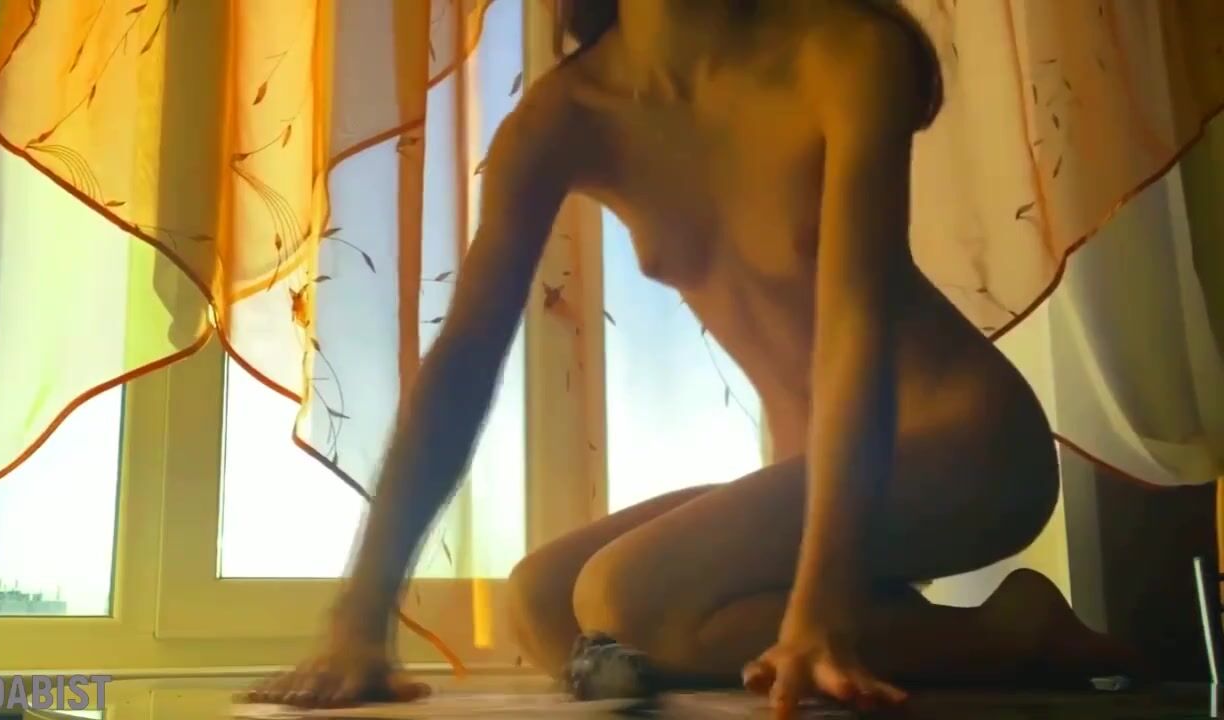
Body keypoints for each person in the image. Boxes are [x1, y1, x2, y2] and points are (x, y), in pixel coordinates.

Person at [247, 0, 1136, 714]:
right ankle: (910, 629)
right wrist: (359, 617)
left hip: (967, 445)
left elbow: (855, 327)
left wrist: (821, 598)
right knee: (544, 601)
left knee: (630, 601)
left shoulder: (846, 51)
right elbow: (463, 365)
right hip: (813, 471)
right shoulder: (566, 115)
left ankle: (1009, 634)